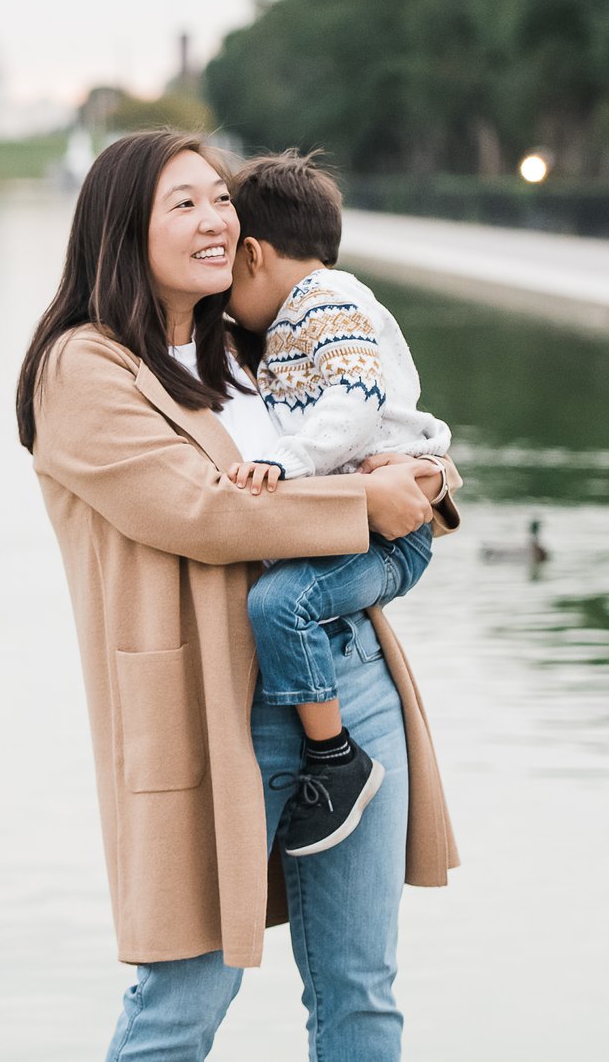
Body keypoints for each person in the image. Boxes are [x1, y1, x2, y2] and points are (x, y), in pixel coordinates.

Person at [15, 129, 461, 1062]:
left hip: (351, 679)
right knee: (182, 1000)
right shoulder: (86, 369)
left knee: (361, 994)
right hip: (210, 711)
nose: (218, 218)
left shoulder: (259, 337)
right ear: (121, 230)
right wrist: (363, 501)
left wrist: (420, 470)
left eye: (221, 197)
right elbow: (201, 511)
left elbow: (367, 413)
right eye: (184, 202)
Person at [219, 151, 452, 858]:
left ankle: (336, 761)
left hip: (384, 536)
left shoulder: (329, 304)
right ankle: (334, 757)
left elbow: (353, 408)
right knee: (284, 603)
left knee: (277, 604)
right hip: (360, 526)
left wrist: (279, 464)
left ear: (253, 254)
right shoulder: (289, 319)